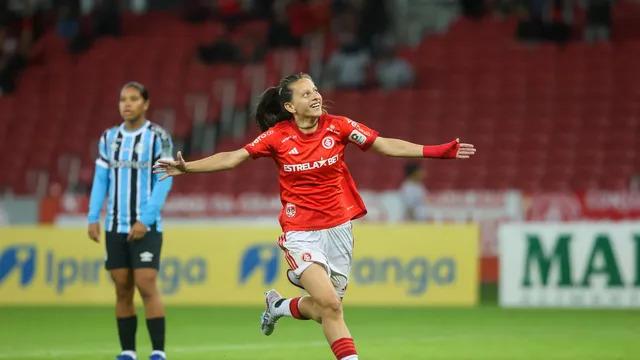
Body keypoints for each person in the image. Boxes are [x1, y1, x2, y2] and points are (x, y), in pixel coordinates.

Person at [154, 73, 475, 360]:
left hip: (338, 230)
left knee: (326, 309)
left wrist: (437, 151)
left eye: (315, 90)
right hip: (300, 232)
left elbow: (384, 145)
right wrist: (188, 167)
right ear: (291, 107)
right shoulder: (277, 137)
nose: (315, 96)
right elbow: (233, 158)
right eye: (305, 94)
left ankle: (279, 306)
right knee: (332, 306)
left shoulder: (340, 126)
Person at [87, 82, 173, 360]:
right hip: (114, 225)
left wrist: (145, 219)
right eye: (123, 99)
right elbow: (101, 180)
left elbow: (164, 179)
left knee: (146, 283)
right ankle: (128, 351)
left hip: (147, 227)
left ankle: (158, 351)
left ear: (145, 104)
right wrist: (92, 216)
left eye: (134, 99)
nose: (127, 104)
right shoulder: (109, 138)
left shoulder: (158, 137)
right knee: (122, 287)